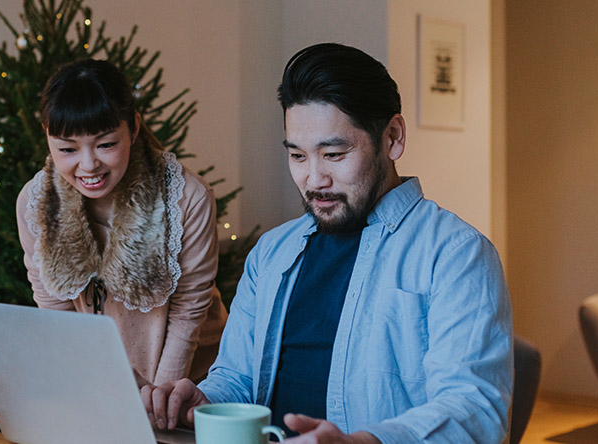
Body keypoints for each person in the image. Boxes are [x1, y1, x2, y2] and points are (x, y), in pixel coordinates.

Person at [141, 43, 513, 443]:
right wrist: (204, 401)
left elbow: (474, 411)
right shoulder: (270, 254)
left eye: (333, 154)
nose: (313, 179)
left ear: (392, 137)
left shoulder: (456, 254)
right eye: (298, 156)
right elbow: (238, 378)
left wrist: (362, 442)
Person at [16, 59, 227, 386]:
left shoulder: (188, 198)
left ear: (134, 127)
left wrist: (160, 399)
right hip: (105, 381)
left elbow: (188, 315)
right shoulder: (36, 203)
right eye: (67, 149)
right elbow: (58, 315)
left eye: (106, 144)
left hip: (195, 381)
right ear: (47, 138)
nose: (88, 165)